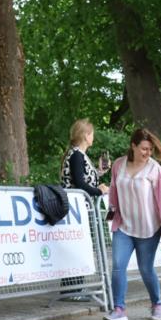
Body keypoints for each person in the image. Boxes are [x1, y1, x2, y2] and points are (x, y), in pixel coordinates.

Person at [104, 128, 161, 320]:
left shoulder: (155, 170)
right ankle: (119, 308)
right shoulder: (119, 165)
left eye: (150, 150)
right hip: (124, 226)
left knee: (145, 268)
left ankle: (157, 303)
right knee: (118, 266)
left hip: (148, 229)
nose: (147, 153)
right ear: (133, 146)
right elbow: (113, 191)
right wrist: (112, 212)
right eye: (144, 148)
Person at [60, 118, 109, 300]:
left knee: (78, 246)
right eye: (92, 134)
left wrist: (100, 172)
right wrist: (99, 190)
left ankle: (74, 289)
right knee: (77, 246)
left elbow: (83, 178)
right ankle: (72, 290)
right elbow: (80, 183)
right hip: (77, 210)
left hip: (80, 209)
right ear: (86, 135)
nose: (93, 137)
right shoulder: (77, 155)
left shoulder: (78, 155)